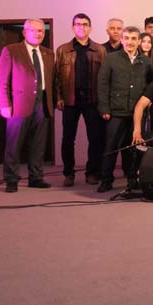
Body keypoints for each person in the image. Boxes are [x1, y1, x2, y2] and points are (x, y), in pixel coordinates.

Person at [0, 19, 55, 193]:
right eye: (33, 30)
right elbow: (1, 80)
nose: (38, 33)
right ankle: (11, 179)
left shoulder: (48, 53)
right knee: (14, 145)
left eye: (41, 31)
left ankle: (36, 178)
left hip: (43, 104)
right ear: (24, 32)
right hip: (18, 105)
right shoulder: (11, 50)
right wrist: (4, 104)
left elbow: (52, 80)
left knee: (38, 144)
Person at [97, 26, 153, 193]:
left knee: (133, 148)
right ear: (122, 40)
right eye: (127, 38)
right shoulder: (111, 59)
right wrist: (104, 108)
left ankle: (132, 179)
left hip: (137, 112)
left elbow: (152, 84)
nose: (130, 42)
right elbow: (102, 84)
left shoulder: (146, 61)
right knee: (111, 147)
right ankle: (106, 180)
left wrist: (148, 102)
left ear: (139, 41)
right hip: (116, 111)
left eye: (134, 38)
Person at [55, 13, 107, 187]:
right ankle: (68, 173)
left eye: (85, 24)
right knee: (68, 139)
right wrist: (59, 97)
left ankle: (92, 172)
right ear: (72, 27)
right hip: (70, 100)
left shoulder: (100, 50)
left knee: (95, 138)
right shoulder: (63, 50)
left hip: (93, 100)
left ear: (90, 28)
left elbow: (105, 78)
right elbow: (57, 77)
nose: (81, 27)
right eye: (78, 24)